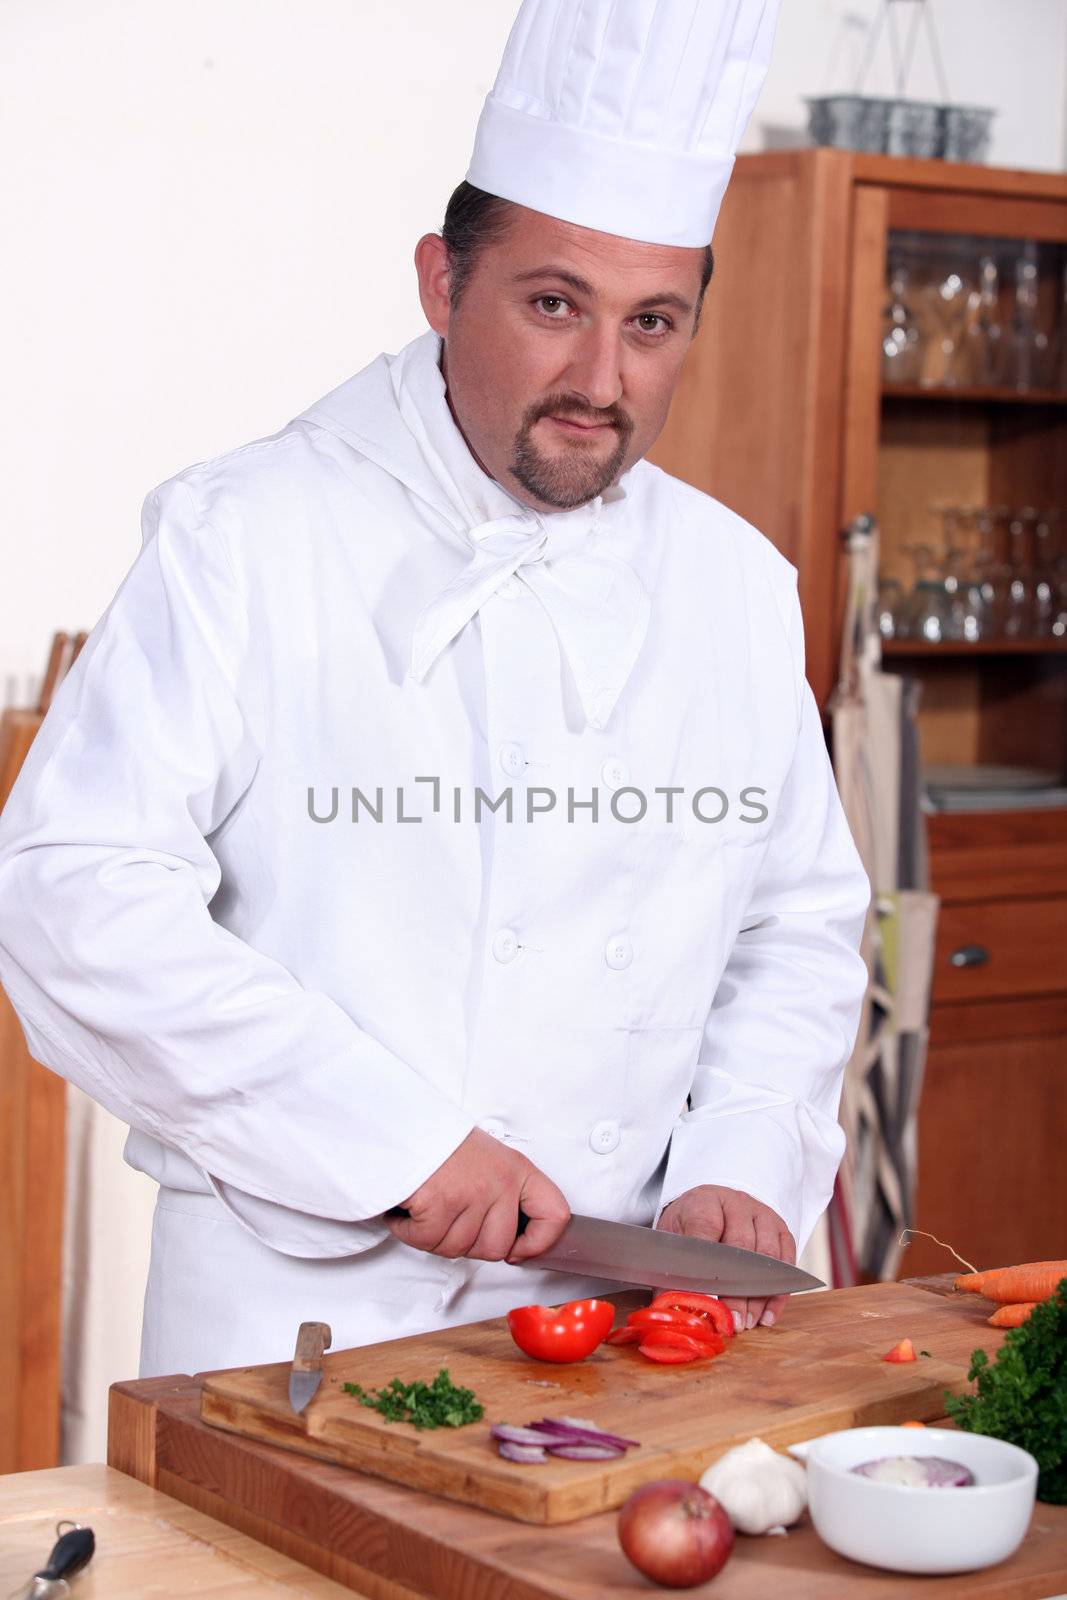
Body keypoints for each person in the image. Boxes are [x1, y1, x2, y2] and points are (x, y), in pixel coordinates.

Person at [0, 0, 870, 1378]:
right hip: (297, 1330)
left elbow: (798, 922)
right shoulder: (248, 536)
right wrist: (389, 1142)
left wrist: (744, 1155)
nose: (602, 381)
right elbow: (71, 892)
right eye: (552, 305)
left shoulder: (737, 585)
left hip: (633, 1327)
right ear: (438, 282)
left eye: (653, 323)